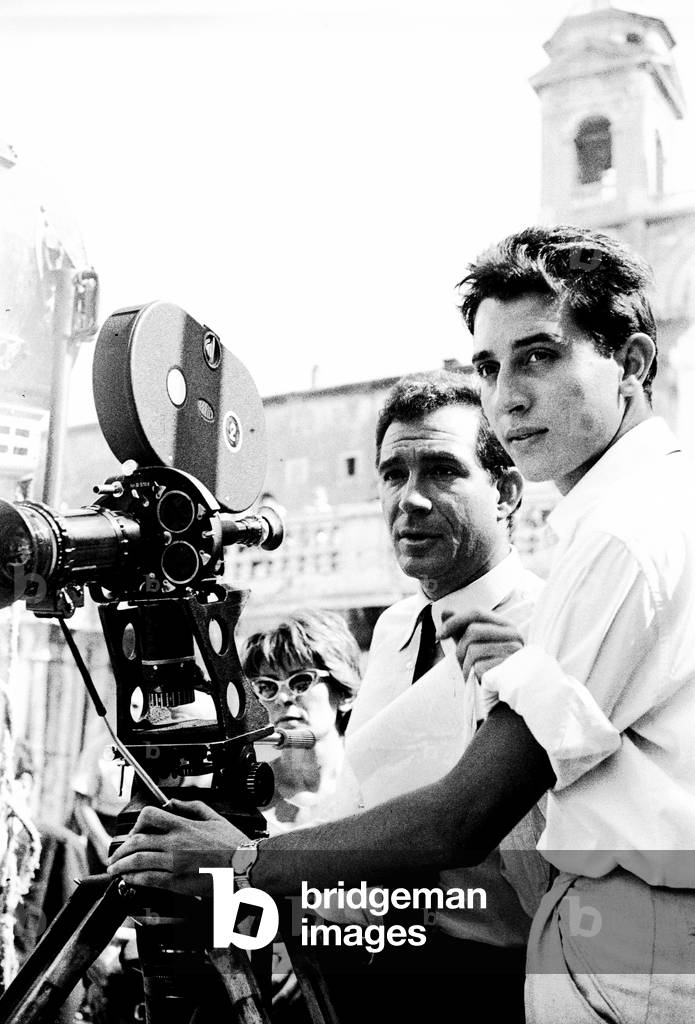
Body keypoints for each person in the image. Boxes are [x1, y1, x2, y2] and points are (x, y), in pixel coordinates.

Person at [109, 225, 695, 1021]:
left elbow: (465, 821)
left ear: (629, 364)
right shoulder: (398, 628)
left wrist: (247, 866)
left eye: (538, 356)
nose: (510, 395)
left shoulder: (619, 541)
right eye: (490, 368)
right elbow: (356, 807)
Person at [110, 372, 549, 1021]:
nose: (411, 499)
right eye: (392, 473)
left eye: (441, 471)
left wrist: (241, 861)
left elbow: (487, 849)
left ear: (506, 490)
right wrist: (226, 876)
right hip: (375, 974)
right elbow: (360, 843)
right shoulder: (398, 628)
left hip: (501, 988)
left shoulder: (547, 628)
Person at [243, 610, 360, 835]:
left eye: (300, 681)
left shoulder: (372, 783)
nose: (283, 697)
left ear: (345, 693)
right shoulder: (243, 794)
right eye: (267, 686)